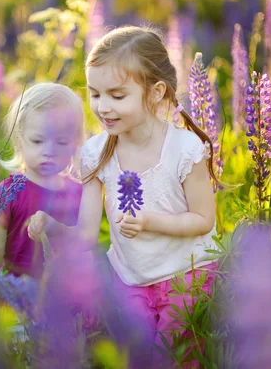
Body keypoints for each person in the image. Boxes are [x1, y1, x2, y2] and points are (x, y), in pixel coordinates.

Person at [28, 26, 221, 367]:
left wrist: (150, 222)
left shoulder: (185, 149)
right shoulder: (95, 153)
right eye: (95, 94)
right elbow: (87, 234)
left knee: (173, 357)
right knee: (138, 356)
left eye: (117, 96)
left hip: (185, 276)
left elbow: (204, 220)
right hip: (131, 280)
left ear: (156, 92)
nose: (103, 107)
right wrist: (51, 225)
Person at [0, 82, 84, 279]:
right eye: (38, 141)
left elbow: (86, 247)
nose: (49, 151)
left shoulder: (79, 193)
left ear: (74, 143)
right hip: (16, 301)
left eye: (61, 142)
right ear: (20, 140)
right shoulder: (6, 193)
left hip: (66, 301)